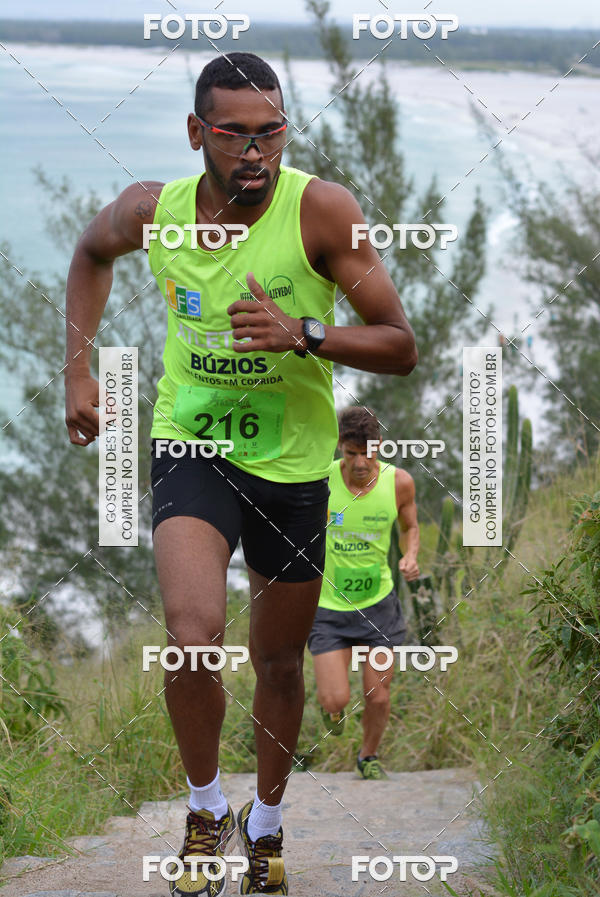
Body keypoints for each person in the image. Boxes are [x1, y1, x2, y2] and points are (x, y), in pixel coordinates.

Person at [64, 53, 417, 896]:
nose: (255, 153)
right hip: (193, 444)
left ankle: (264, 821)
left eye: (271, 134)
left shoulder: (322, 212)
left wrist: (307, 332)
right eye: (234, 135)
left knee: (281, 663)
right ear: (198, 134)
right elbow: (88, 251)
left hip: (294, 466)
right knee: (192, 637)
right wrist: (77, 371)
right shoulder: (157, 211)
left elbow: (399, 343)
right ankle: (203, 809)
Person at [308, 406, 420, 780]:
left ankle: (368, 756)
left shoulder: (399, 482)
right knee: (335, 698)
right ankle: (333, 707)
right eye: (351, 452)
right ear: (339, 447)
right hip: (328, 606)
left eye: (367, 452)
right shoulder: (319, 482)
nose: (360, 461)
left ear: (380, 446)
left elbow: (409, 527)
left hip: (379, 606)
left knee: (378, 695)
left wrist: (410, 555)